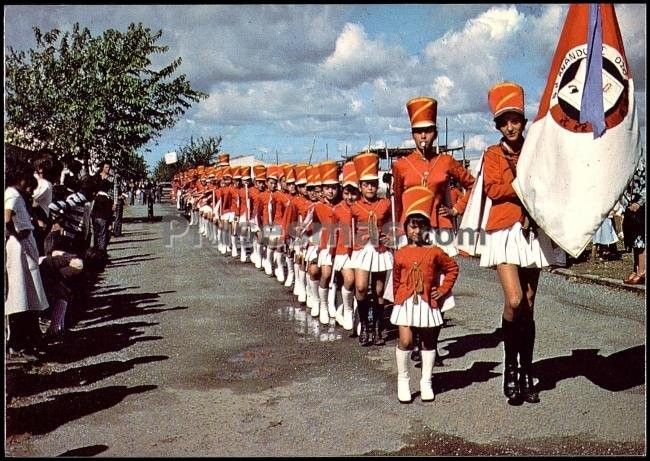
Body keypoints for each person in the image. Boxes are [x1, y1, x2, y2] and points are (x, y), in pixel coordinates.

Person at [479, 81, 558, 404]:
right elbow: (494, 189)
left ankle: (526, 374)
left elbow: (547, 182)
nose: (511, 127)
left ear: (523, 122)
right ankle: (509, 370)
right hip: (504, 231)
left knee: (529, 303)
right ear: (498, 125)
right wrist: (524, 182)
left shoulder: (535, 150)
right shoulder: (492, 154)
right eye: (505, 121)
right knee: (514, 300)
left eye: (516, 120)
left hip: (532, 231)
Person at [390, 186, 459, 403]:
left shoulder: (435, 251)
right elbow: (396, 280)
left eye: (421, 227)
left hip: (427, 302)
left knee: (428, 342)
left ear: (428, 228)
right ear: (406, 228)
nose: (416, 232)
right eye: (412, 226)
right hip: (405, 302)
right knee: (406, 340)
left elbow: (452, 268)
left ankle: (426, 381)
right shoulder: (400, 253)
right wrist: (397, 300)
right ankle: (403, 379)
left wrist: (443, 290)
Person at [5, 160, 49, 360]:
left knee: (29, 293)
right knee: (20, 295)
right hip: (19, 247)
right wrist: (16, 233)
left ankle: (26, 340)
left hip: (25, 245)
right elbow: (6, 218)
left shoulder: (18, 195)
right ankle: (17, 343)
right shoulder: (11, 194)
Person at [350, 152, 393, 346]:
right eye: (366, 184)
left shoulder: (385, 204)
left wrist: (388, 238)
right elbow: (348, 230)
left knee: (379, 290)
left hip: (380, 250)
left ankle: (377, 328)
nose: (370, 187)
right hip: (362, 250)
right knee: (360, 287)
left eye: (373, 184)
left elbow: (392, 225)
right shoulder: (355, 207)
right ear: (360, 186)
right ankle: (365, 326)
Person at [622, 156, 646, 285]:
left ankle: (642, 271)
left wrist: (640, 203)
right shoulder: (627, 163)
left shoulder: (643, 162)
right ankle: (635, 269)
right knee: (632, 239)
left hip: (642, 206)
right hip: (630, 206)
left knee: (640, 240)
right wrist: (626, 203)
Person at [90, 160, 115, 258]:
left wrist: (114, 203)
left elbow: (113, 192)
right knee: (96, 230)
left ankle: (102, 252)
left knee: (104, 230)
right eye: (106, 167)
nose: (108, 169)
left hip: (105, 206)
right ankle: (96, 253)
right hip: (96, 205)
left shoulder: (111, 179)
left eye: (109, 167)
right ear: (102, 168)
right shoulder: (96, 177)